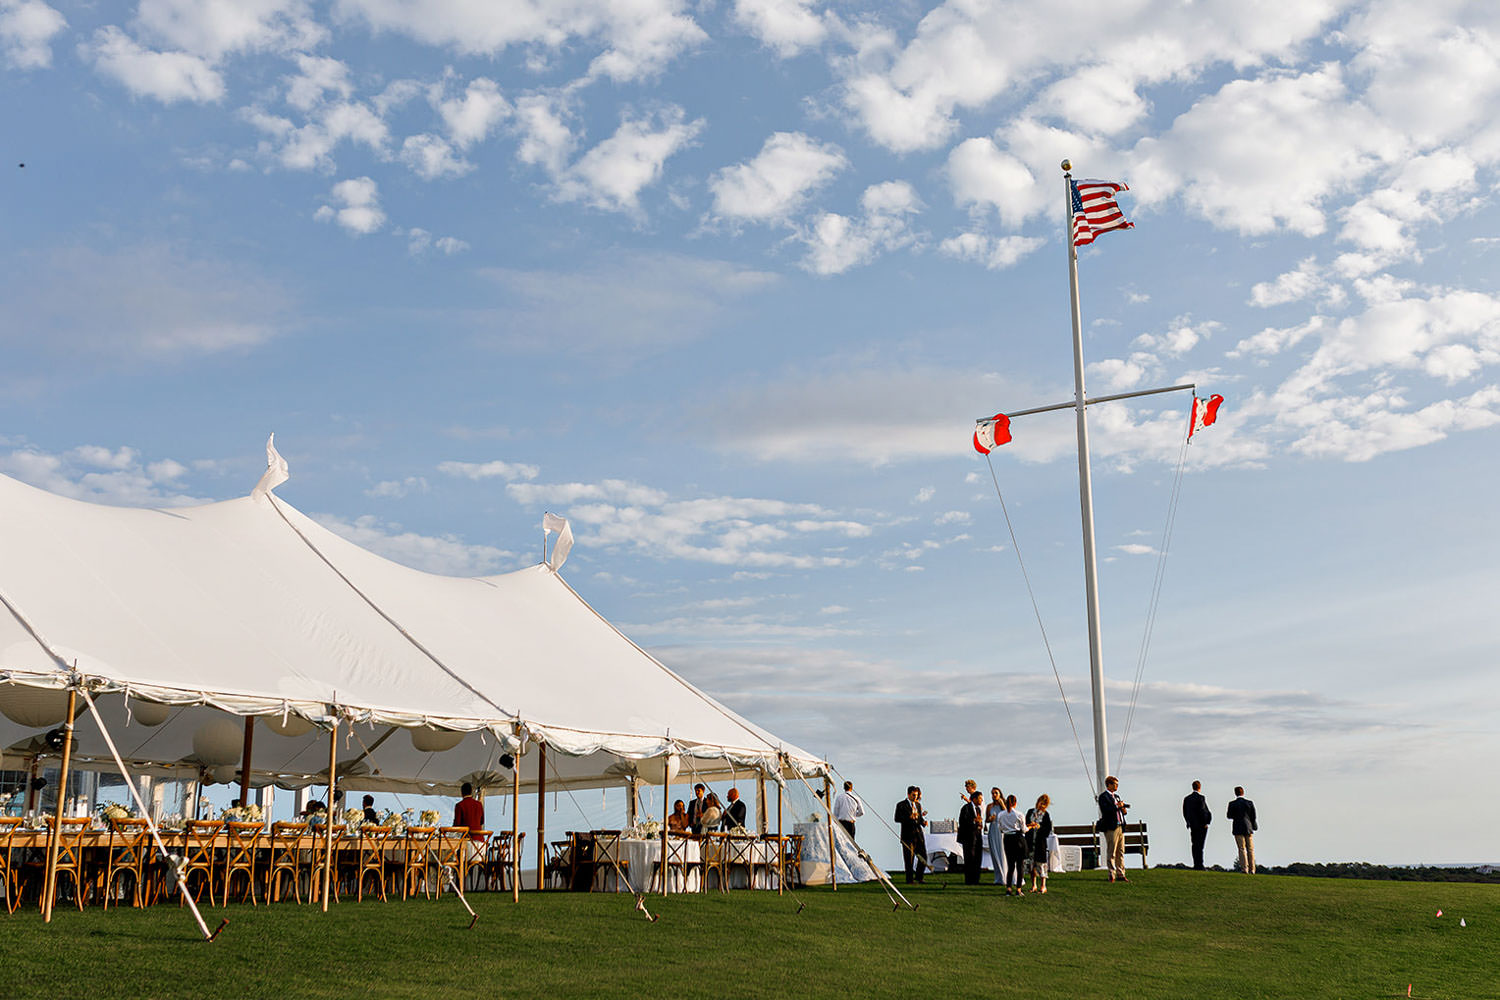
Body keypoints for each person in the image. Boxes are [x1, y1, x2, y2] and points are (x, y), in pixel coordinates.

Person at [1097, 775, 1129, 883]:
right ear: (1109, 785)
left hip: (1120, 826)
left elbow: (1118, 809)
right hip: (1111, 827)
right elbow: (1106, 810)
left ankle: (1121, 873)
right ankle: (1112, 873)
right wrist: (1117, 806)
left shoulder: (1116, 796)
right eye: (1115, 784)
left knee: (1121, 851)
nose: (1116, 786)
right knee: (1112, 851)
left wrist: (1123, 809)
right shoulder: (1103, 797)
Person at [894, 786, 928, 883]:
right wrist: (909, 817)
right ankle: (909, 879)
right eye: (913, 795)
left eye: (916, 795)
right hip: (907, 835)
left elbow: (920, 818)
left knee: (923, 856)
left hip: (918, 835)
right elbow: (897, 818)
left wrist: (923, 822)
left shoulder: (918, 805)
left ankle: (919, 877)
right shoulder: (901, 805)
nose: (915, 797)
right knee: (909, 859)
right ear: (908, 794)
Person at [998, 794, 1028, 894]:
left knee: (1010, 866)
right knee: (1020, 866)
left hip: (1007, 839)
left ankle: (1009, 888)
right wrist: (1030, 827)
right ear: (1015, 803)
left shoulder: (1001, 815)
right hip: (1018, 839)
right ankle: (1018, 888)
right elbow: (1023, 830)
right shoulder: (1019, 814)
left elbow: (1000, 828)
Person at [1227, 786, 1258, 874]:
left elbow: (1229, 816)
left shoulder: (1232, 804)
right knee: (1250, 849)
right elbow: (1253, 816)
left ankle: (1245, 869)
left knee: (1241, 848)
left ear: (1235, 793)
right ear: (1243, 792)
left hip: (1237, 827)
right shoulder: (1249, 803)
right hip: (1248, 827)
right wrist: (1253, 826)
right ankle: (1252, 869)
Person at [1182, 780, 1212, 870]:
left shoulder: (1187, 799)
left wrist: (1188, 822)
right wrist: (1206, 822)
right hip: (1201, 825)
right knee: (1200, 845)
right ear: (1199, 787)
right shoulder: (1201, 798)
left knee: (1194, 845)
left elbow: (1185, 812)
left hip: (1192, 825)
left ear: (1192, 787)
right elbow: (1203, 811)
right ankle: (1200, 864)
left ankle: (1196, 864)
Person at [1027, 794, 1053, 893]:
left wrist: (1039, 827)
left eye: (1043, 804)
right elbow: (1025, 823)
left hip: (1040, 842)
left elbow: (1047, 829)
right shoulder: (1030, 812)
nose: (1040, 805)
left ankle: (1043, 885)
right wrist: (1030, 825)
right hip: (1030, 841)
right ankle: (1033, 885)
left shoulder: (1046, 815)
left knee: (1041, 864)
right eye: (1040, 803)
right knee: (1031, 864)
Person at [958, 790, 984, 885]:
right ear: (974, 799)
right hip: (968, 837)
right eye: (980, 798)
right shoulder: (966, 808)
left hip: (977, 836)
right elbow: (962, 822)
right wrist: (973, 821)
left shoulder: (979, 809)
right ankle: (969, 880)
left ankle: (976, 879)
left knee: (977, 858)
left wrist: (979, 824)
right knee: (969, 859)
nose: (981, 800)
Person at [985, 787, 1006, 885]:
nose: (994, 795)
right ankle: (998, 877)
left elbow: (1008, 815)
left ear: (1000, 794)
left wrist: (1002, 805)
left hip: (1002, 830)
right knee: (995, 854)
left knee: (1003, 853)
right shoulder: (989, 806)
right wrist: (990, 818)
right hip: (993, 829)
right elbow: (986, 820)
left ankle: (1006, 876)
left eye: (996, 793)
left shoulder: (1004, 805)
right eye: (992, 793)